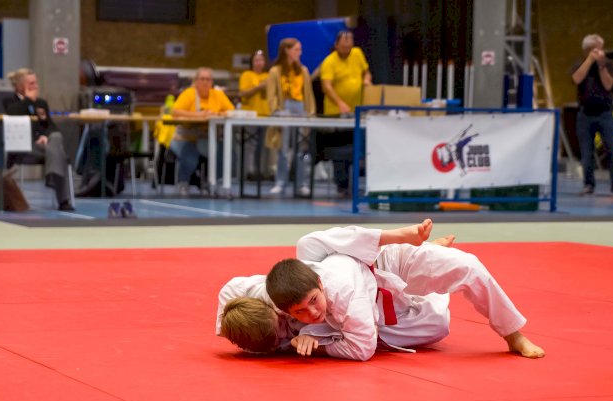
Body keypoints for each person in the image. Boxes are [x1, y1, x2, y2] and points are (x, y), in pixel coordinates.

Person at [263, 221, 545, 361]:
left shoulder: (311, 253)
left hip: (388, 261)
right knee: (438, 325)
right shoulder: (278, 299)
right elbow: (362, 347)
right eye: (300, 311)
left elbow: (351, 235)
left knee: (469, 265)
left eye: (313, 301)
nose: (311, 312)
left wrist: (403, 236)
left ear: (319, 283)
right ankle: (431, 251)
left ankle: (513, 334)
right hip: (377, 305)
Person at [216, 222, 455, 355]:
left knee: (310, 245)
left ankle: (405, 243)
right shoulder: (265, 342)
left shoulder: (262, 295)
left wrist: (224, 326)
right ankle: (429, 266)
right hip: (350, 320)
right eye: (280, 335)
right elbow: (358, 344)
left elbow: (228, 293)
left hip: (338, 277)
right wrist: (310, 342)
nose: (284, 327)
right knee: (437, 323)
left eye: (278, 321)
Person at [4, 68, 74, 211]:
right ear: (20, 86)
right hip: (23, 146)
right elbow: (12, 114)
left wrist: (45, 136)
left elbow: (51, 126)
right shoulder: (9, 101)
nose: (35, 86)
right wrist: (28, 100)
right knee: (58, 154)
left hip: (43, 146)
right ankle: (63, 200)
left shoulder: (41, 103)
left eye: (36, 82)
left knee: (56, 137)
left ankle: (52, 176)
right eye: (31, 83)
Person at [319, 30, 372, 195]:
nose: (347, 49)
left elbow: (366, 71)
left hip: (357, 112)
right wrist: (340, 103)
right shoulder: (329, 62)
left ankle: (356, 185)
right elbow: (326, 86)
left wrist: (367, 79)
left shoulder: (357, 54)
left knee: (356, 150)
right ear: (336, 45)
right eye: (343, 46)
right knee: (340, 152)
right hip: (336, 113)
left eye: (349, 46)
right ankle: (342, 186)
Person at [571, 34, 613, 196]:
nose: (601, 51)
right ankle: (588, 185)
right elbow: (577, 79)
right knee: (586, 152)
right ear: (587, 50)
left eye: (601, 47)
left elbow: (608, 86)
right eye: (597, 48)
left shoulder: (607, 64)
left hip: (605, 113)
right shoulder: (579, 64)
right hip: (585, 114)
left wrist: (601, 65)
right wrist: (589, 61)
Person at [170, 67, 234, 196]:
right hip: (184, 137)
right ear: (196, 81)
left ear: (212, 82)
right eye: (202, 79)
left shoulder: (218, 94)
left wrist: (217, 114)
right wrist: (199, 115)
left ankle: (213, 182)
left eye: (208, 79)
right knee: (190, 154)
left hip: (207, 138)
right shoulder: (189, 93)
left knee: (226, 152)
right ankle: (183, 182)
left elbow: (232, 111)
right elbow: (175, 111)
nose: (205, 82)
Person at [265, 38, 316, 196]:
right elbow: (272, 94)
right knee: (284, 149)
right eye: (296, 49)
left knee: (301, 148)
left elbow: (308, 93)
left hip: (300, 108)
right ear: (287, 50)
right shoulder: (276, 71)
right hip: (285, 108)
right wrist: (276, 111)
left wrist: (310, 112)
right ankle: (280, 182)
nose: (299, 53)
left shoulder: (304, 71)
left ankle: (302, 184)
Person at [238, 50, 270, 180]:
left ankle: (262, 171)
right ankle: (248, 171)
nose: (258, 63)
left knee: (264, 146)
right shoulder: (246, 75)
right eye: (256, 60)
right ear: (252, 62)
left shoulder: (269, 75)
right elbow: (242, 93)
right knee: (250, 145)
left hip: (266, 115)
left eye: (261, 60)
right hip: (250, 115)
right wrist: (258, 87)